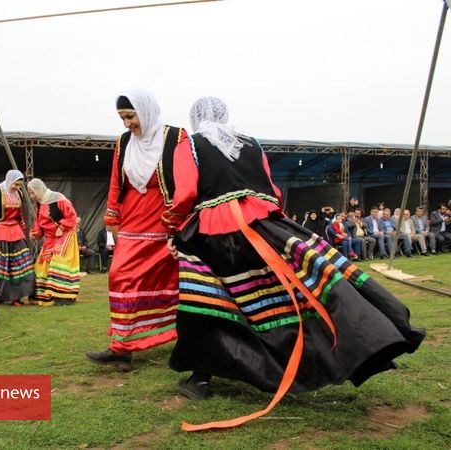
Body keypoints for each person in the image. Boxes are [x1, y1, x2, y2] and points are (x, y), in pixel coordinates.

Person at [162, 97, 424, 430]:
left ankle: (201, 376)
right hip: (264, 226)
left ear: (195, 118)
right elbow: (272, 190)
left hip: (215, 232)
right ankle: (355, 346)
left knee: (212, 302)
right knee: (289, 293)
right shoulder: (252, 143)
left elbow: (184, 193)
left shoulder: (190, 145)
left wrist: (172, 225)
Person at [85, 89, 189, 371]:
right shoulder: (124, 142)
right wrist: (112, 221)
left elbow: (186, 180)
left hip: (165, 221)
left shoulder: (176, 138)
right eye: (122, 118)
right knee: (119, 276)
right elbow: (116, 184)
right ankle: (121, 346)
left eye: (130, 116)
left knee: (172, 282)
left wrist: (180, 223)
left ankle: (176, 337)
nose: (127, 123)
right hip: (132, 220)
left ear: (145, 111)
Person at [27, 178, 80, 306]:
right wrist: (35, 233)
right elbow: (39, 222)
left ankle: (66, 296)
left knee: (59, 261)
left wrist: (62, 227)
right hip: (51, 237)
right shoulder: (39, 204)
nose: (31, 196)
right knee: (42, 263)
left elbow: (73, 217)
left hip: (65, 233)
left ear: (39, 189)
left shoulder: (59, 199)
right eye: (30, 193)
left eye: (33, 193)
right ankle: (47, 295)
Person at [0, 170, 35, 306]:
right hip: (0, 231)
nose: (17, 187)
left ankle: (17, 297)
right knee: (2, 266)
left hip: (15, 232)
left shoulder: (19, 194)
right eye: (15, 185)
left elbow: (21, 215)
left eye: (19, 185)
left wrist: (23, 229)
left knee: (22, 263)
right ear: (9, 180)